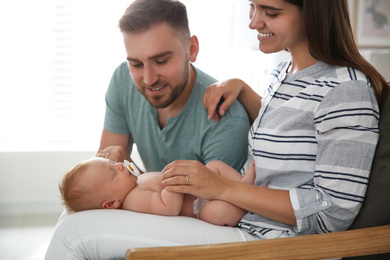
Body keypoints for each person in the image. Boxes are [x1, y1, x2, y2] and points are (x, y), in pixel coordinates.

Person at [45, 1, 390, 259]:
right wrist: (242, 86)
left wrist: (223, 187)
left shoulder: (346, 90)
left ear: (314, 12)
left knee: (76, 234)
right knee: (75, 214)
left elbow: (333, 210)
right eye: (253, 7)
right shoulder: (283, 75)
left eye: (270, 10)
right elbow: (287, 129)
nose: (253, 21)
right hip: (247, 225)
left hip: (276, 243)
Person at [94, 0, 249, 172]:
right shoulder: (123, 79)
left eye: (161, 61)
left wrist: (133, 174)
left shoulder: (226, 120)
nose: (148, 79)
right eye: (136, 64)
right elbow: (102, 177)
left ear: (192, 49)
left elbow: (210, 199)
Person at [59, 158, 255, 226]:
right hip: (200, 206)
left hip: (203, 188)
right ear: (111, 204)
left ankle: (242, 185)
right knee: (216, 212)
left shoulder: (136, 182)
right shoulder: (134, 199)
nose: (120, 166)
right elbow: (167, 207)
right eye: (112, 174)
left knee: (214, 166)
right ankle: (246, 203)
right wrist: (173, 181)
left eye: (113, 163)